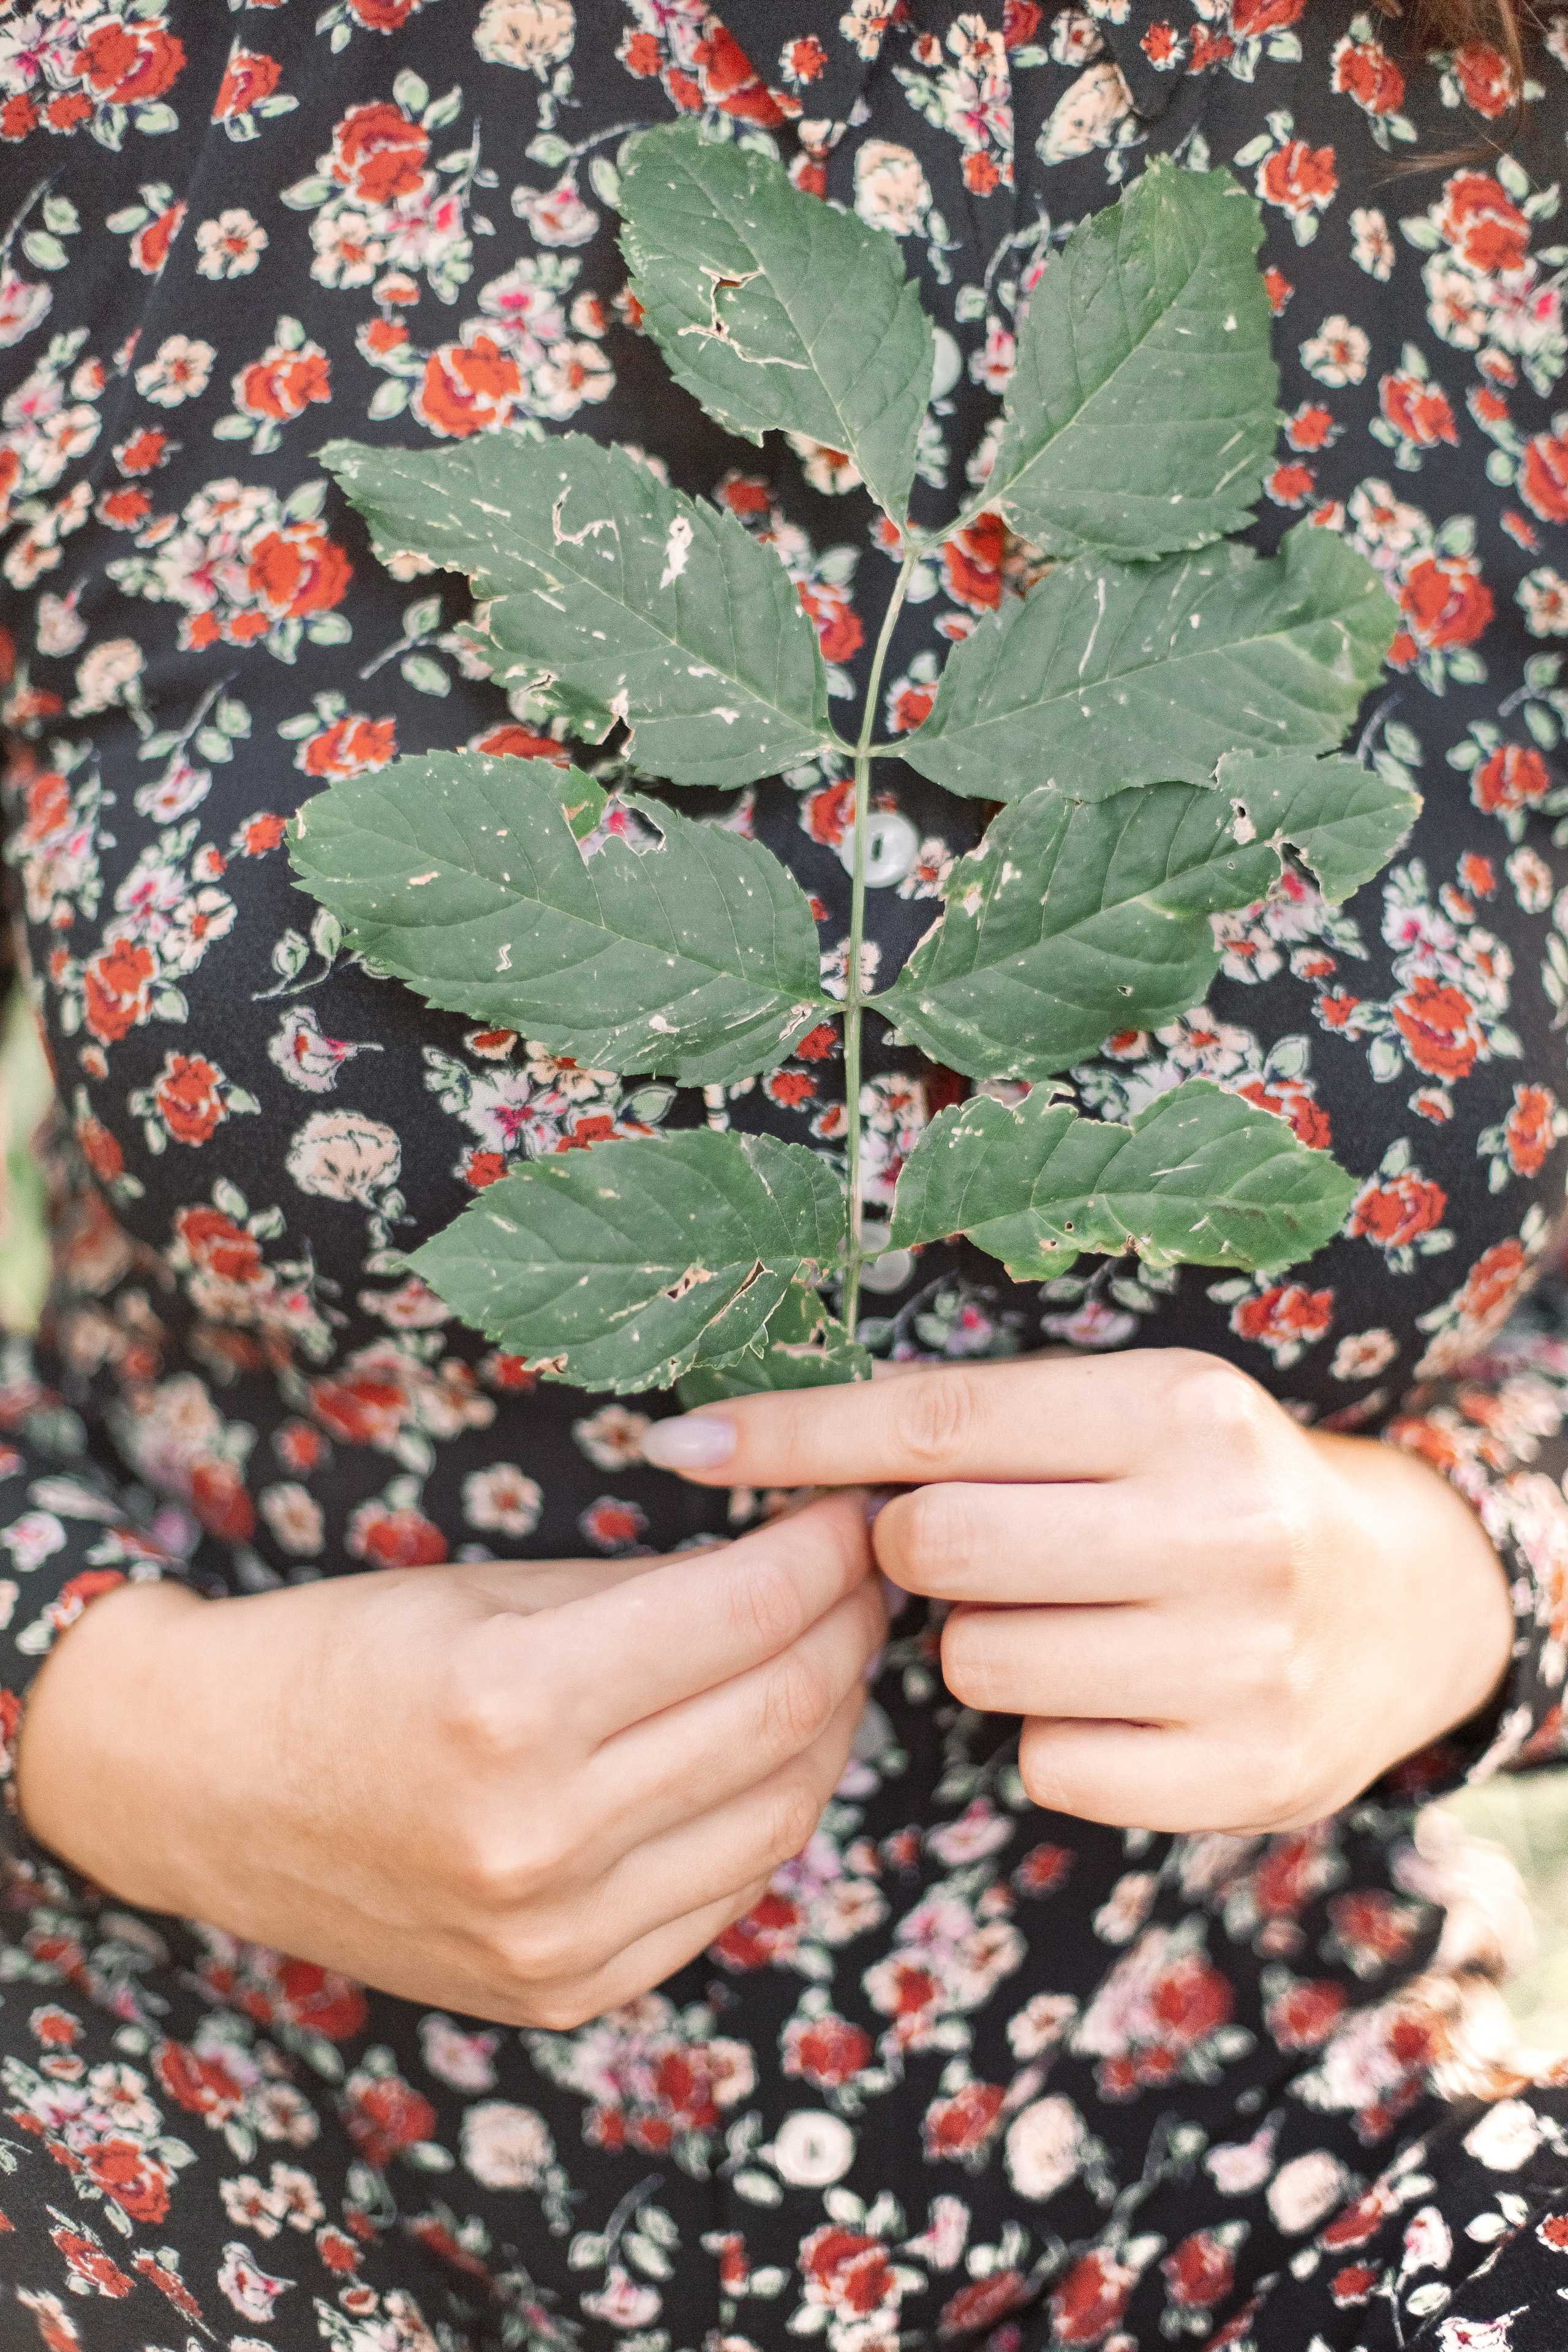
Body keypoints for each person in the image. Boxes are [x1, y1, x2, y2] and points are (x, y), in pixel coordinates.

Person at [1, 0, 1567, 2344]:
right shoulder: (104, 97)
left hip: (1254, 2149)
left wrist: (1457, 1575)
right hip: (163, 2097)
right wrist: (107, 1725)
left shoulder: (1493, 144)